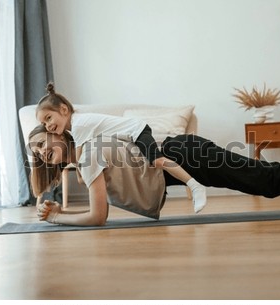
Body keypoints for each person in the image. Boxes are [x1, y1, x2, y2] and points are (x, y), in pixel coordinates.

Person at [28, 125, 280, 226]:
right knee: (266, 180)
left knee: (267, 180)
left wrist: (58, 216)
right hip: (183, 153)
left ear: (58, 133)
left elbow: (97, 216)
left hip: (186, 155)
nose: (42, 152)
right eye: (37, 152)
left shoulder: (87, 152)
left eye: (43, 142)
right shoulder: (85, 153)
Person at [35, 83, 207, 213]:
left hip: (137, 131)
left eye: (49, 118)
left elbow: (82, 170)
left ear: (64, 109)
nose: (48, 125)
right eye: (44, 123)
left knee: (157, 160)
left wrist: (84, 177)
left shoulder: (79, 125)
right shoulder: (76, 125)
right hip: (128, 137)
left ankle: (194, 185)